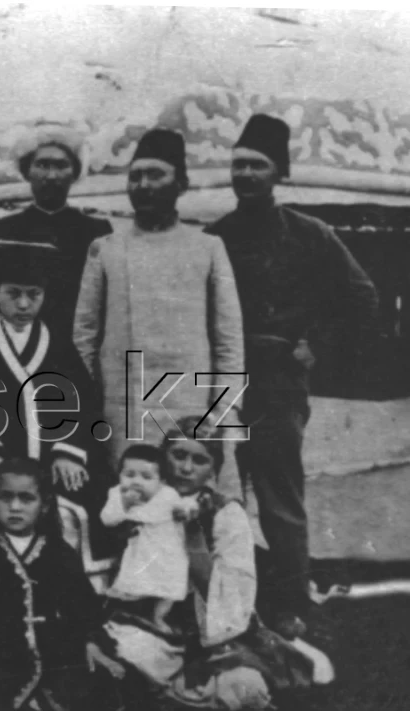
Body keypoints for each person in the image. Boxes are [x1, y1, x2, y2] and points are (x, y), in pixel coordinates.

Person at [206, 114, 381, 638]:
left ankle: (288, 605)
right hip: (220, 378)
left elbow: (362, 297)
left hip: (279, 382)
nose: (245, 174)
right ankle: (219, 601)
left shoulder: (311, 234)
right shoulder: (214, 237)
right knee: (215, 484)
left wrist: (315, 345)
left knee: (280, 496)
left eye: (257, 165)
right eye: (238, 165)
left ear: (279, 172)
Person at [102, 417, 334, 711]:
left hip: (211, 628)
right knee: (129, 652)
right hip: (154, 621)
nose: (186, 468)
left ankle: (168, 699)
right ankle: (171, 698)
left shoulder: (225, 513)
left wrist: (194, 536)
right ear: (164, 457)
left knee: (246, 687)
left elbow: (226, 594)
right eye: (178, 455)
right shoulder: (144, 500)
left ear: (214, 468)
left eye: (199, 460)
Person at [73, 128, 246, 489]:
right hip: (122, 411)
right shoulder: (105, 248)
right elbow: (84, 340)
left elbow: (229, 343)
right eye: (135, 176)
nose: (144, 184)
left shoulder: (208, 248)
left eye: (156, 175)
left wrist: (222, 418)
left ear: (180, 184)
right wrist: (88, 414)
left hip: (190, 411)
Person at [0, 457, 124, 711]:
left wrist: (91, 642)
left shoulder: (59, 552)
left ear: (44, 505)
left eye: (26, 498)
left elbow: (83, 608)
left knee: (99, 686)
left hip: (54, 652)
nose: (15, 507)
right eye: (5, 497)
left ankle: (40, 701)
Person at [0, 244, 108, 505]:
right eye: (13, 294)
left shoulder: (58, 343)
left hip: (52, 458)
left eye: (33, 295)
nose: (23, 304)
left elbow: (83, 400)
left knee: (84, 495)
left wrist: (68, 451)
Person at [0, 124, 113, 344]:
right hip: (16, 345)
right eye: (42, 165)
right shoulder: (2, 229)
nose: (51, 175)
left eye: (61, 166)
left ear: (75, 173)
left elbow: (105, 307)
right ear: (27, 172)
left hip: (74, 348)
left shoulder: (95, 230)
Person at [100, 444, 192, 634]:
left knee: (170, 589)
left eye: (146, 477)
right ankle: (128, 615)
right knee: (133, 584)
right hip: (141, 550)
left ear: (162, 480)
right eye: (129, 475)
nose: (136, 482)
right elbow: (107, 519)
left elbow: (184, 505)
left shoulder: (167, 494)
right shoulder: (117, 493)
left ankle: (159, 616)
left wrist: (185, 510)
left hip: (169, 551)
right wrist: (124, 504)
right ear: (119, 475)